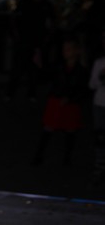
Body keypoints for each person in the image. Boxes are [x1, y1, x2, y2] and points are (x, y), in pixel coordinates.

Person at [32, 35, 90, 166]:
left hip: (71, 104)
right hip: (57, 100)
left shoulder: (81, 71)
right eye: (64, 49)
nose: (65, 52)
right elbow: (47, 76)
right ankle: (38, 156)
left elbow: (84, 90)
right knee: (48, 128)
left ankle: (67, 158)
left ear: (76, 51)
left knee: (70, 130)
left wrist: (71, 98)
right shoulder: (59, 66)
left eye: (69, 49)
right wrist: (39, 66)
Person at [88, 28, 105, 185]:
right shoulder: (99, 62)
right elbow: (92, 84)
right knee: (100, 137)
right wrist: (100, 77)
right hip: (99, 104)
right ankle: (99, 166)